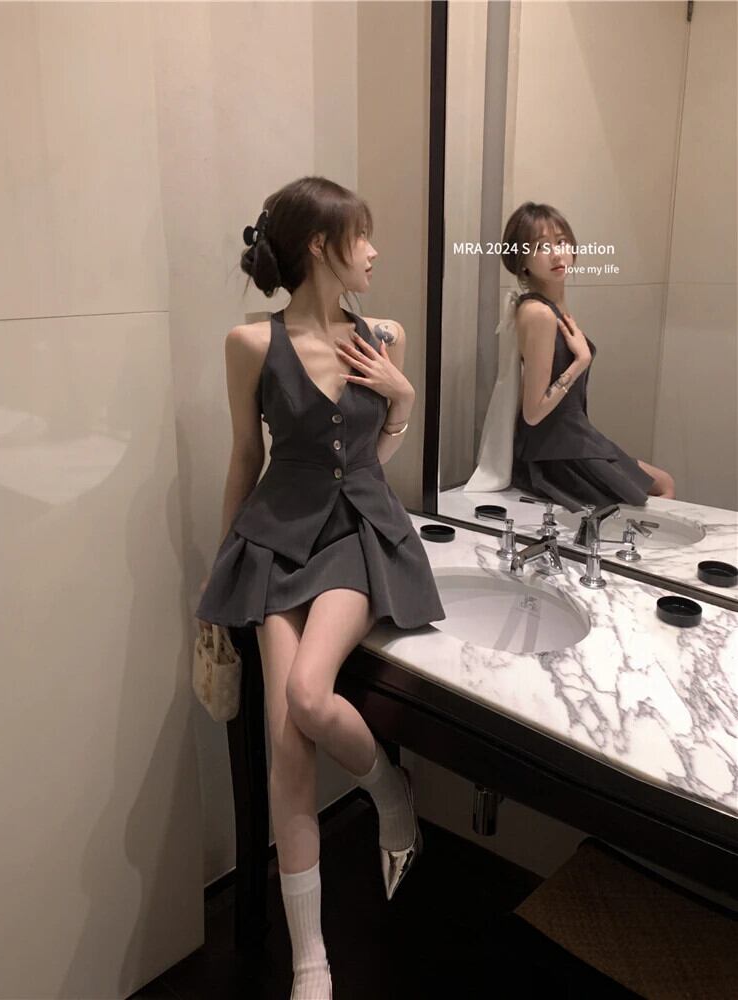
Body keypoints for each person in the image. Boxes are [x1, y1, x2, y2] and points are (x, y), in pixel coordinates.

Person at [195, 176, 445, 999]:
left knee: (308, 694)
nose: (374, 252)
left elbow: (373, 459)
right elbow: (245, 458)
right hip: (276, 541)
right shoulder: (250, 344)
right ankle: (312, 961)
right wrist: (221, 572)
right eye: (361, 236)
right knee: (285, 741)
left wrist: (402, 401)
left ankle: (389, 794)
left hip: (356, 536)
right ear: (318, 246)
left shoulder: (384, 335)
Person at [499, 201, 675, 512]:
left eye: (561, 241)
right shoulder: (539, 313)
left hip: (573, 436)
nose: (557, 254)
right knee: (659, 491)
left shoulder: (549, 306)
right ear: (522, 261)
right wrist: (580, 362)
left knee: (663, 485)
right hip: (556, 448)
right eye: (541, 247)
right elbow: (533, 413)